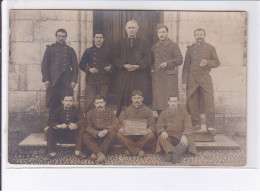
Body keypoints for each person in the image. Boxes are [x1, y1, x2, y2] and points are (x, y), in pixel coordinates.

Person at [182, 28, 220, 134]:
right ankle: (196, 124)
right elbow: (186, 66)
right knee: (192, 103)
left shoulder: (210, 48)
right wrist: (184, 82)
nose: (199, 36)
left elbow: (217, 62)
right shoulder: (190, 49)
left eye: (201, 34)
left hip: (205, 79)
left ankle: (211, 126)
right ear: (194, 36)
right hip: (192, 80)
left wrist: (207, 62)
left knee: (209, 102)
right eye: (197, 34)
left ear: (204, 35)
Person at [113, 20, 152, 117]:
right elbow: (114, 57)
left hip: (138, 75)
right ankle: (123, 117)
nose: (131, 30)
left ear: (137, 29)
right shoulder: (120, 43)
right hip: (124, 75)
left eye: (133, 28)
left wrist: (138, 65)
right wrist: (123, 65)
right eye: (129, 28)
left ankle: (139, 117)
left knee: (138, 95)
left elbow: (148, 57)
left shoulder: (143, 43)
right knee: (124, 96)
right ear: (126, 29)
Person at [41, 28, 78, 116]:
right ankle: (52, 124)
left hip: (66, 81)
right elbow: (44, 66)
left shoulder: (70, 50)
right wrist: (46, 79)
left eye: (63, 36)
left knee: (66, 103)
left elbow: (75, 67)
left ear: (66, 37)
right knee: (53, 103)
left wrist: (73, 80)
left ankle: (65, 123)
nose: (61, 38)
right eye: (59, 36)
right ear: (56, 37)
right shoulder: (50, 49)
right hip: (53, 81)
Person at [151, 24, 183, 116]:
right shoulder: (154, 47)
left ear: (167, 33)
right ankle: (161, 118)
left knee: (169, 98)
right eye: (159, 32)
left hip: (169, 77)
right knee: (159, 99)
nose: (161, 34)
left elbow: (179, 59)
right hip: (158, 76)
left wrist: (167, 63)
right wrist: (152, 69)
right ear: (157, 34)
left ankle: (171, 119)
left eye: (163, 32)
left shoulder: (173, 45)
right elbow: (151, 61)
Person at [79, 31, 113, 113]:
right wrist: (89, 69)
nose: (98, 39)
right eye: (97, 37)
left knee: (102, 102)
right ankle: (88, 120)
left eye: (100, 38)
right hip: (91, 80)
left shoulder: (108, 51)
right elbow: (81, 64)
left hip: (104, 80)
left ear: (103, 39)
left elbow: (114, 63)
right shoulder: (88, 51)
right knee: (90, 102)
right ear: (94, 39)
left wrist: (110, 67)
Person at [156, 96, 197, 163]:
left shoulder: (184, 113)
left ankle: (171, 154)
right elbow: (159, 126)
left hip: (180, 137)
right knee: (161, 137)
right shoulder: (163, 113)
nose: (173, 103)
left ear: (178, 102)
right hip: (169, 137)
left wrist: (184, 135)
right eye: (171, 101)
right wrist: (162, 131)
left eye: (175, 101)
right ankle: (175, 154)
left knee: (188, 138)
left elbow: (189, 127)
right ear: (168, 102)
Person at [46, 93, 86, 159]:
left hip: (72, 136)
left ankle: (78, 151)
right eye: (66, 101)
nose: (68, 103)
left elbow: (83, 120)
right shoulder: (58, 110)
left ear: (73, 102)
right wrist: (59, 125)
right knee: (50, 129)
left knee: (81, 128)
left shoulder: (76, 110)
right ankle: (52, 152)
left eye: (70, 101)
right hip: (60, 135)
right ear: (63, 101)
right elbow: (50, 121)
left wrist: (75, 125)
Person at [117, 90, 156, 157]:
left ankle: (130, 149)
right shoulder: (126, 110)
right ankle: (137, 150)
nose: (136, 100)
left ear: (142, 99)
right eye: (134, 98)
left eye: (138, 98)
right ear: (132, 99)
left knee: (151, 135)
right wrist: (122, 128)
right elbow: (121, 123)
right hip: (129, 135)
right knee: (119, 133)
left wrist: (149, 129)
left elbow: (152, 124)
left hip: (142, 135)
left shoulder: (147, 110)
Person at [82, 95, 119, 164]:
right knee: (85, 136)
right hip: (95, 136)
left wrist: (107, 130)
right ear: (94, 104)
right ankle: (100, 154)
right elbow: (88, 127)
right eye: (97, 103)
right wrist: (97, 133)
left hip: (106, 135)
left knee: (112, 134)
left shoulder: (110, 112)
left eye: (101, 102)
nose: (99, 105)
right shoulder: (90, 113)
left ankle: (96, 152)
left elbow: (116, 124)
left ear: (105, 103)